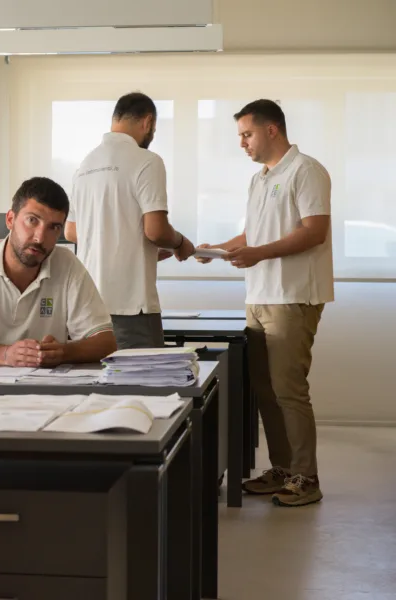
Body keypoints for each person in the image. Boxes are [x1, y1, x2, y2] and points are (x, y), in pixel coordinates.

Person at [198, 99, 333, 507]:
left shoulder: (306, 170)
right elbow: (251, 235)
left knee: (289, 389)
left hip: (292, 297)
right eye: (240, 135)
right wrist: (218, 249)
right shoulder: (260, 179)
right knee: (265, 390)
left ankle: (306, 478)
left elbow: (314, 232)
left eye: (247, 134)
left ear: (271, 130)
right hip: (259, 295)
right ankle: (282, 469)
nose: (242, 142)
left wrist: (259, 254)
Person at [65, 92, 195, 350]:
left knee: (100, 385)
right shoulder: (147, 161)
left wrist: (135, 249)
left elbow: (72, 232)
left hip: (89, 307)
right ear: (147, 122)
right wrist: (180, 243)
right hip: (131, 307)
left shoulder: (85, 166)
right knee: (144, 387)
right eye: (154, 129)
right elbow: (157, 231)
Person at [0, 177, 117, 367]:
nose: (40, 237)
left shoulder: (67, 264)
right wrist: (2, 354)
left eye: (53, 227)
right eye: (32, 220)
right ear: (10, 219)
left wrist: (64, 352)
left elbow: (105, 342)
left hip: (45, 388)